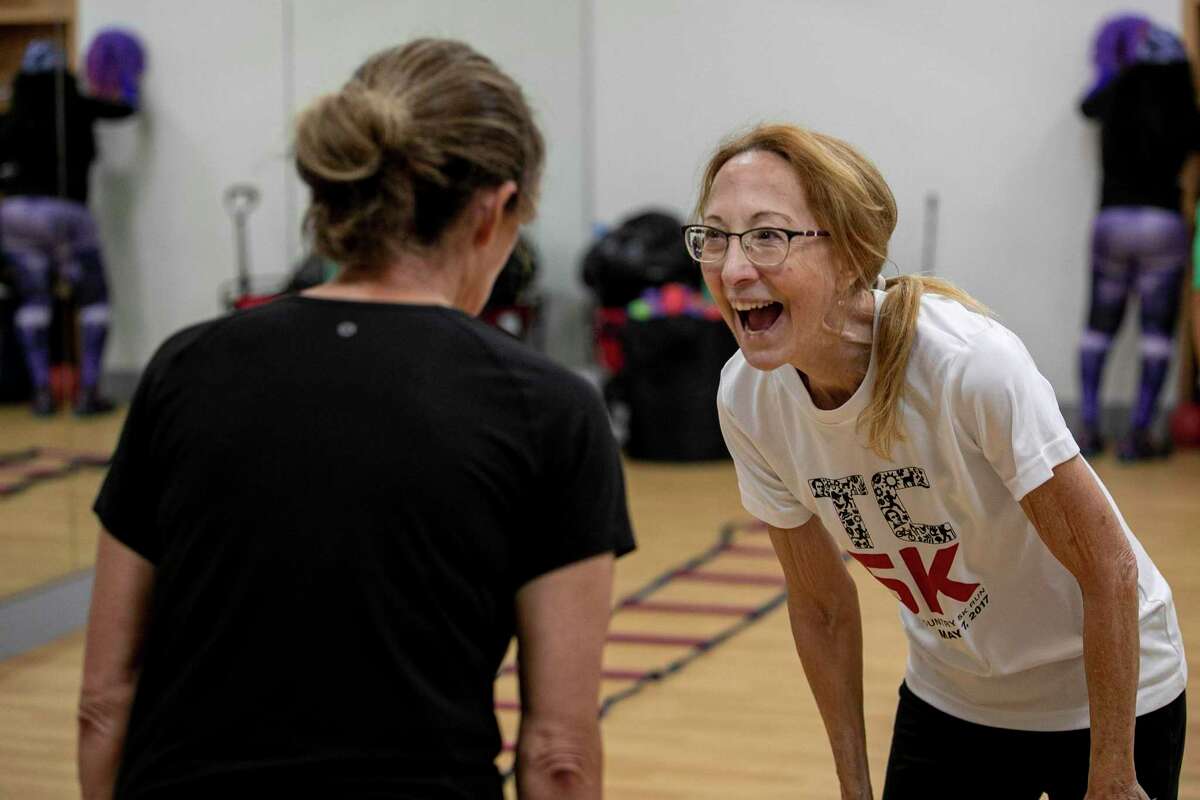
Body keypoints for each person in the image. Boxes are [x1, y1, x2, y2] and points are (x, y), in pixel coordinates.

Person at [78, 39, 634, 800]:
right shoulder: (550, 410)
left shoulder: (184, 368)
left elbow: (105, 702)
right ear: (494, 211)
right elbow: (559, 753)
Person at [687, 124, 1187, 799]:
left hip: (1107, 693)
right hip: (954, 697)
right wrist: (854, 788)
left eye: (768, 236)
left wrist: (1112, 779)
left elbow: (1109, 567)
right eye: (714, 237)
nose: (734, 268)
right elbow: (821, 607)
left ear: (851, 252)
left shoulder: (967, 366)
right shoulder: (747, 399)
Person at [1076, 16, 1200, 460]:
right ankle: (1139, 435)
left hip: (1112, 222)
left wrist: (1115, 70)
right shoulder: (1182, 99)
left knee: (1097, 329)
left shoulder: (1118, 88)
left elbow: (1086, 107)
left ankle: (1087, 429)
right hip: (1162, 224)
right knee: (1155, 335)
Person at [0, 39, 139, 416]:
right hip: (66, 214)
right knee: (94, 300)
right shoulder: (74, 102)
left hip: (13, 217)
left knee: (33, 302)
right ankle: (88, 392)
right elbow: (126, 110)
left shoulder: (12, 114)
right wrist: (128, 76)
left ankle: (42, 394)